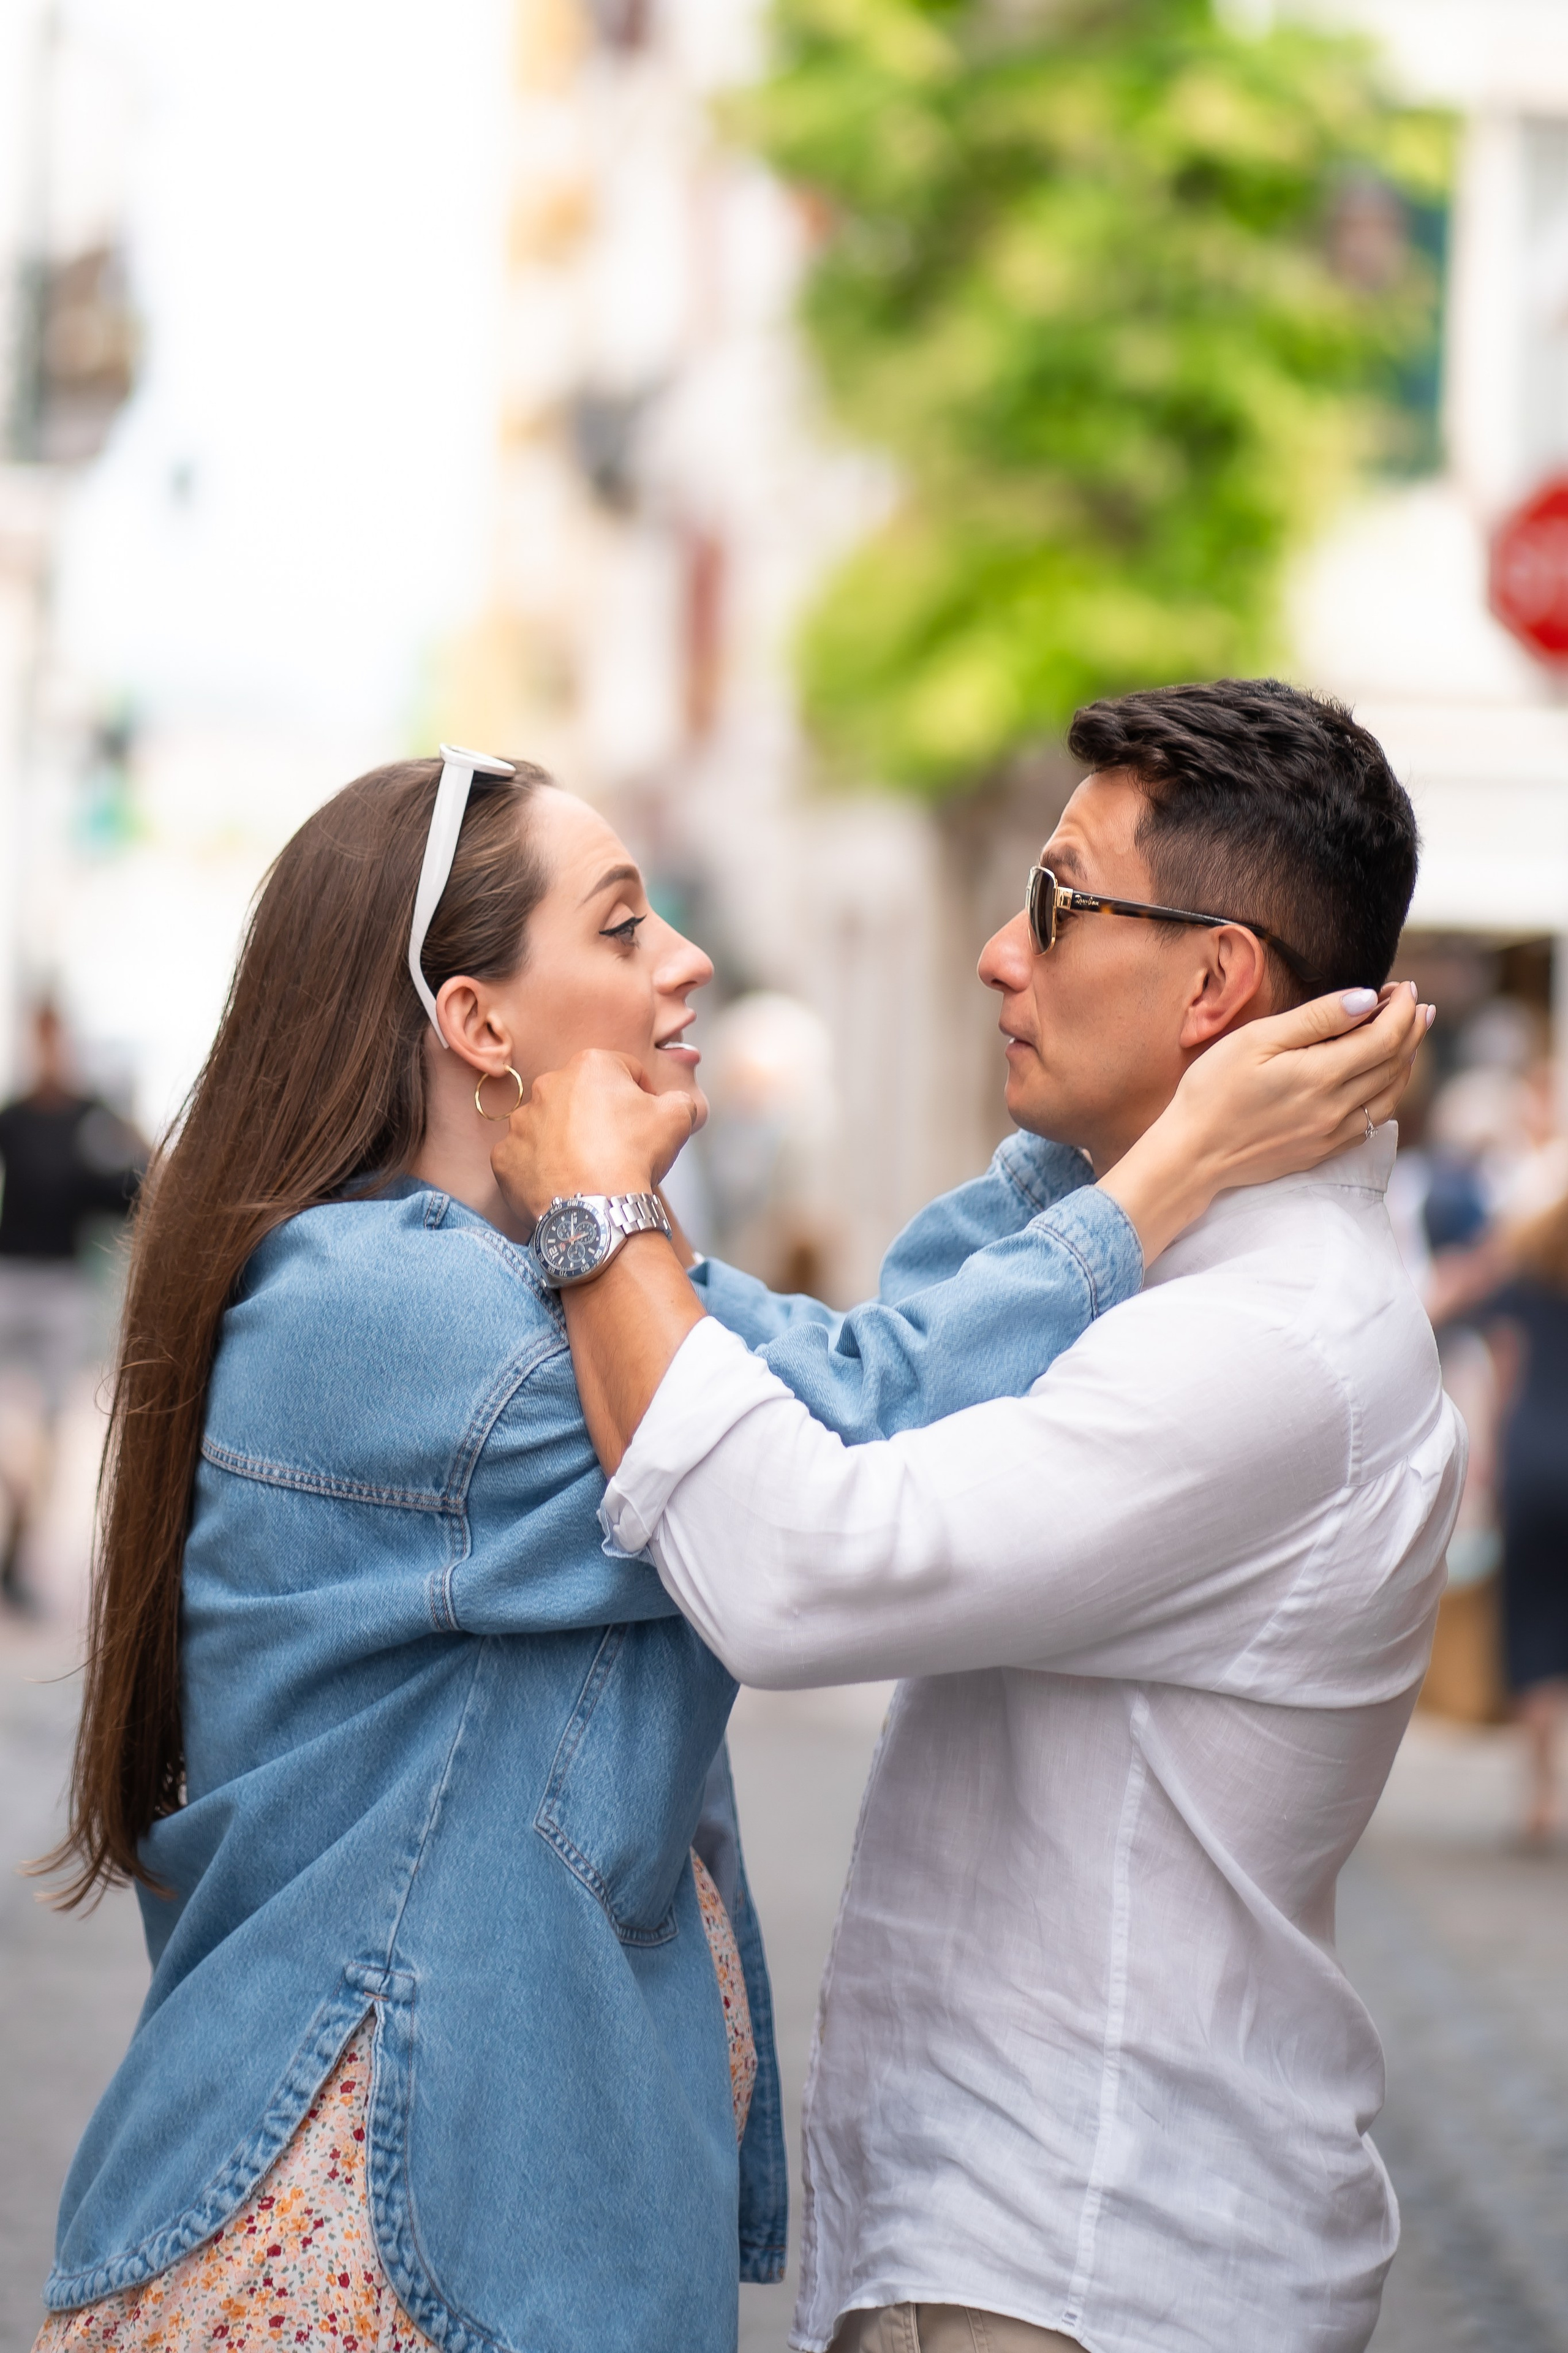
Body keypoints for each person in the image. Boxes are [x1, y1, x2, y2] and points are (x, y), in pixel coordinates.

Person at [34, 745, 1419, 2353]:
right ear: (478, 1024)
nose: (686, 959)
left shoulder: (557, 1284)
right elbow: (862, 1414)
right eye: (625, 928)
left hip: (459, 2214)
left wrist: (1115, 1113)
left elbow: (881, 1344)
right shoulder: (401, 1313)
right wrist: (1172, 1156)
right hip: (370, 2230)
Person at [494, 679, 1461, 2353]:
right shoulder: (1180, 1251)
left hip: (1087, 2263)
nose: (1001, 955)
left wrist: (596, 1211)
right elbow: (883, 1366)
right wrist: (1146, 1158)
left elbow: (802, 1572)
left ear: (1216, 980)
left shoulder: (1265, 1341)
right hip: (1027, 2235)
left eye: (1059, 905)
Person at [0, 1002, 145, 1611]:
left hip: (61, 1286)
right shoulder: (14, 1118)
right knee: (17, 1431)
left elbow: (128, 1186)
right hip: (13, 1278)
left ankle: (19, 1550)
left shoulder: (91, 1116)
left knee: (52, 1429)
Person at [1479, 1189, 1568, 1845]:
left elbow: (1504, 1369)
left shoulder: (1528, 1272)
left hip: (1534, 1460)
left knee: (1531, 1624)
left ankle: (1541, 1795)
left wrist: (1490, 1461)